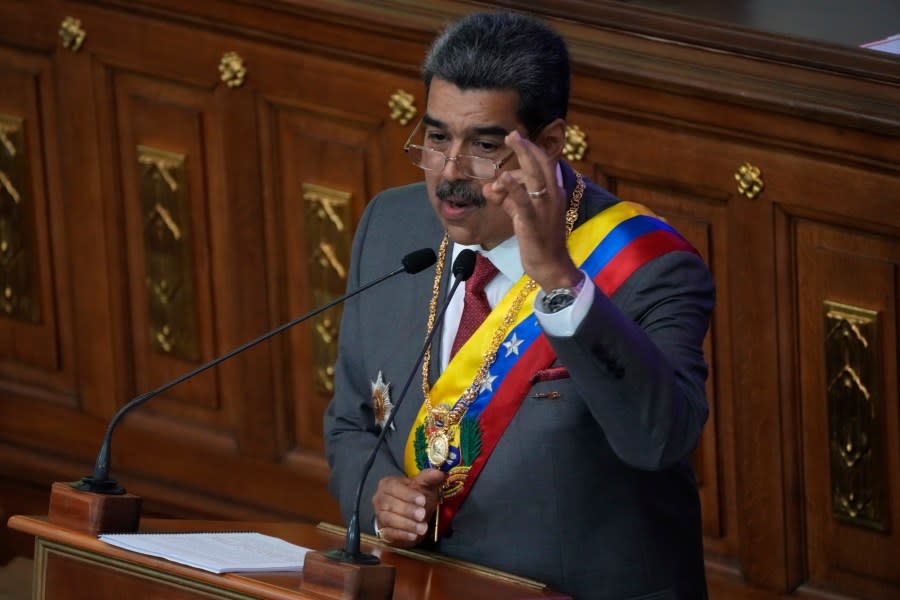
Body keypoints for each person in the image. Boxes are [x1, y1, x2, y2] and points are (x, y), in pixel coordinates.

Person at [324, 11, 714, 599]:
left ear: (549, 143)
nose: (449, 174)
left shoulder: (646, 266)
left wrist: (559, 280)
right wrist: (384, 497)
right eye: (435, 138)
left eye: (484, 146)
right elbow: (352, 422)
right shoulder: (392, 225)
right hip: (425, 585)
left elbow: (659, 439)